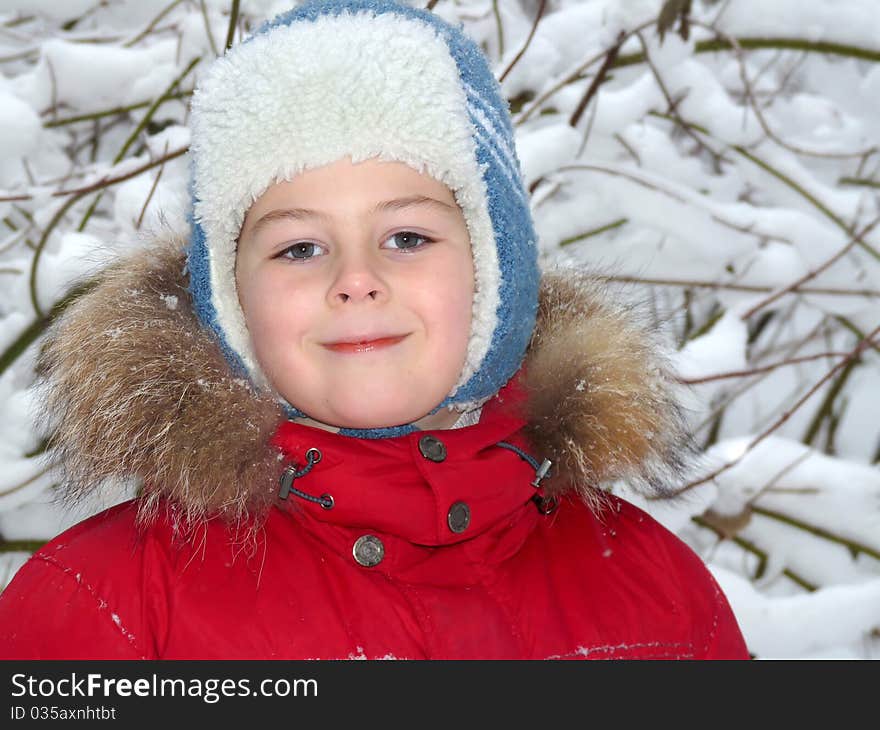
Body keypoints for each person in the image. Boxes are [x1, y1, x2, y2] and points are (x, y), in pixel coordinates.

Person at [0, 0, 749, 659]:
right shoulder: (103, 606)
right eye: (299, 248)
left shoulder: (658, 592)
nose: (356, 280)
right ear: (231, 303)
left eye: (407, 238)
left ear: (494, 276)